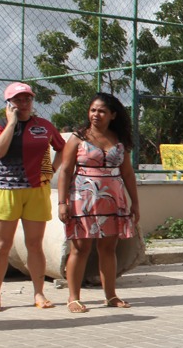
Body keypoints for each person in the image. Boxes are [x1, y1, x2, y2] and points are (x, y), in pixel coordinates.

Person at [0, 82, 66, 312]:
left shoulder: (44, 126)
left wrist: (50, 170)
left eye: (27, 99)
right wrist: (11, 123)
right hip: (5, 190)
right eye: (18, 99)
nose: (23, 103)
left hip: (36, 190)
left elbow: (63, 147)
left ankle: (39, 293)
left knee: (34, 244)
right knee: (2, 245)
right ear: (8, 103)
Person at [57, 93, 140, 313]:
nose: (96, 115)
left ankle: (111, 296)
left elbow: (128, 174)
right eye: (93, 110)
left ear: (113, 115)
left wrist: (135, 203)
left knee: (108, 248)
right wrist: (62, 202)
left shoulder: (120, 140)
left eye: (102, 111)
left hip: (113, 201)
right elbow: (65, 171)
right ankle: (73, 298)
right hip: (82, 200)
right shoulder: (78, 138)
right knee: (80, 248)